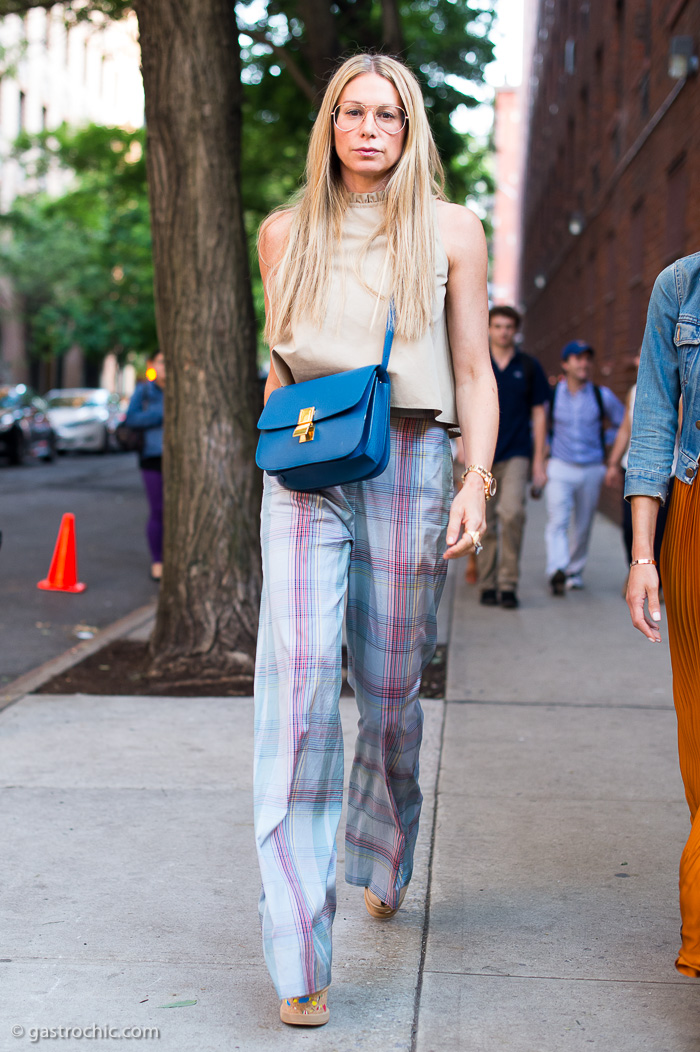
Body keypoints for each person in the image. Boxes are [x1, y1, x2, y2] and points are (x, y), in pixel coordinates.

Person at [254, 53, 498, 1027]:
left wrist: (475, 480)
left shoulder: (448, 230)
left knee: (390, 691)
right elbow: (278, 370)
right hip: (307, 469)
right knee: (301, 689)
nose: (367, 129)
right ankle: (298, 952)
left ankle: (384, 839)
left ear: (409, 129)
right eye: (351, 113)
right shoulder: (283, 231)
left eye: (386, 115)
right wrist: (270, 470)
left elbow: (474, 368)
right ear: (330, 125)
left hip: (409, 464)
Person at [625, 251, 700, 979]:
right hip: (692, 519)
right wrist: (643, 555)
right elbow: (653, 418)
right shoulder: (680, 287)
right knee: (697, 735)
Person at [477, 305, 549, 609]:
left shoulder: (528, 366)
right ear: (489, 329)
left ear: (515, 330)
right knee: (485, 522)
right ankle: (487, 583)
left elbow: (540, 413)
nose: (504, 331)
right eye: (498, 326)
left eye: (509, 326)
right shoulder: (479, 364)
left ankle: (507, 583)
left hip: (518, 452)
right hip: (484, 454)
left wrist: (539, 461)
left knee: (512, 514)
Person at [545, 340, 624, 595]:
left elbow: (623, 423)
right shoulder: (553, 395)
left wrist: (604, 443)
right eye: (577, 358)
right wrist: (545, 452)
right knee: (558, 520)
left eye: (587, 358)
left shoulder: (602, 396)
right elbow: (538, 425)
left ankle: (574, 571)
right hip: (559, 466)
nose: (584, 363)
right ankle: (557, 568)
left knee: (583, 523)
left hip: (591, 467)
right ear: (565, 364)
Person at [604, 352, 672, 576]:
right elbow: (625, 428)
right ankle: (635, 572)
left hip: (667, 472)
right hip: (632, 468)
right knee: (628, 528)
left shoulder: (675, 389)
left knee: (660, 531)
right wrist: (613, 463)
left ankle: (659, 580)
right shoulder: (634, 391)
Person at [124, 351, 165, 581]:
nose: (165, 366)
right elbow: (131, 419)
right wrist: (160, 414)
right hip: (152, 457)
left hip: (180, 458)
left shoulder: (184, 389)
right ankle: (157, 560)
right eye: (161, 362)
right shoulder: (145, 391)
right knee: (158, 510)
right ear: (153, 365)